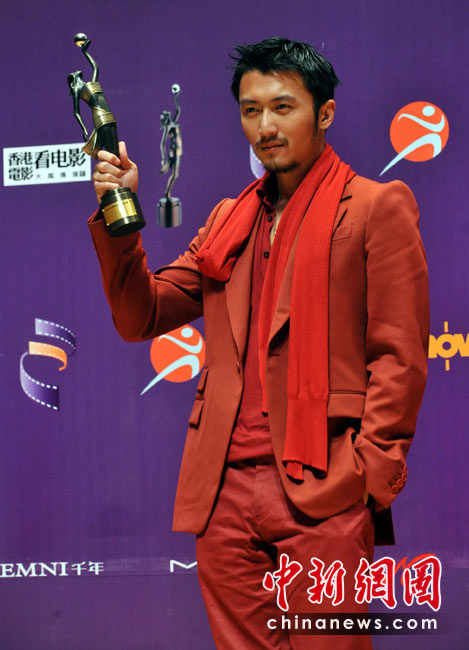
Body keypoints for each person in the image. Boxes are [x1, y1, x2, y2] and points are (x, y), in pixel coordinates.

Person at [88, 38, 429, 650]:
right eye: (251, 111)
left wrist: (368, 473)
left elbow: (399, 357)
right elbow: (143, 315)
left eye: (282, 107)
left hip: (324, 484)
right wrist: (121, 213)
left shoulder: (377, 206)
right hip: (222, 495)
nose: (266, 127)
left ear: (324, 113)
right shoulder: (228, 220)